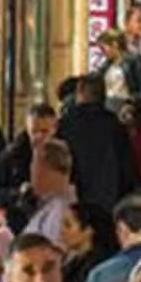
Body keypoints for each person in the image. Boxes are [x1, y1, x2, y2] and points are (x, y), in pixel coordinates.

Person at [57, 75, 134, 208]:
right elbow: (127, 168)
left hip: (74, 201)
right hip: (109, 202)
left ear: (79, 92)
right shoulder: (115, 126)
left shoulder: (64, 126)